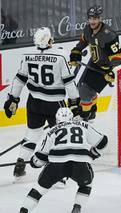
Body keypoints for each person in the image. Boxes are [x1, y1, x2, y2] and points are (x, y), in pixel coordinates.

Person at [3, 27, 80, 178]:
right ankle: (59, 175)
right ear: (49, 39)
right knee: (60, 136)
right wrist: (74, 103)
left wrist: (13, 99)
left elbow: (19, 80)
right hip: (54, 104)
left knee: (32, 133)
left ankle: (20, 164)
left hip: (34, 102)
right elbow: (70, 83)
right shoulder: (61, 56)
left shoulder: (27, 56)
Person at [19, 107, 108, 213]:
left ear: (57, 120)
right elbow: (103, 142)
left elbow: (40, 159)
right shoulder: (84, 125)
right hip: (80, 164)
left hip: (56, 165)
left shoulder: (51, 131)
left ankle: (24, 211)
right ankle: (77, 207)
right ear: (72, 118)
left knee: (39, 189)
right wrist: (94, 154)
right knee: (86, 184)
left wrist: (34, 162)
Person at [69, 5, 121, 120]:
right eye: (90, 18)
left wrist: (111, 71)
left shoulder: (109, 35)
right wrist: (76, 51)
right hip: (94, 62)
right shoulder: (87, 29)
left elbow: (118, 57)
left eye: (95, 18)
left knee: (85, 90)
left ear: (100, 19)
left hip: (105, 68)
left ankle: (85, 116)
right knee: (81, 86)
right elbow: (83, 41)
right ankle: (92, 111)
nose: (92, 21)